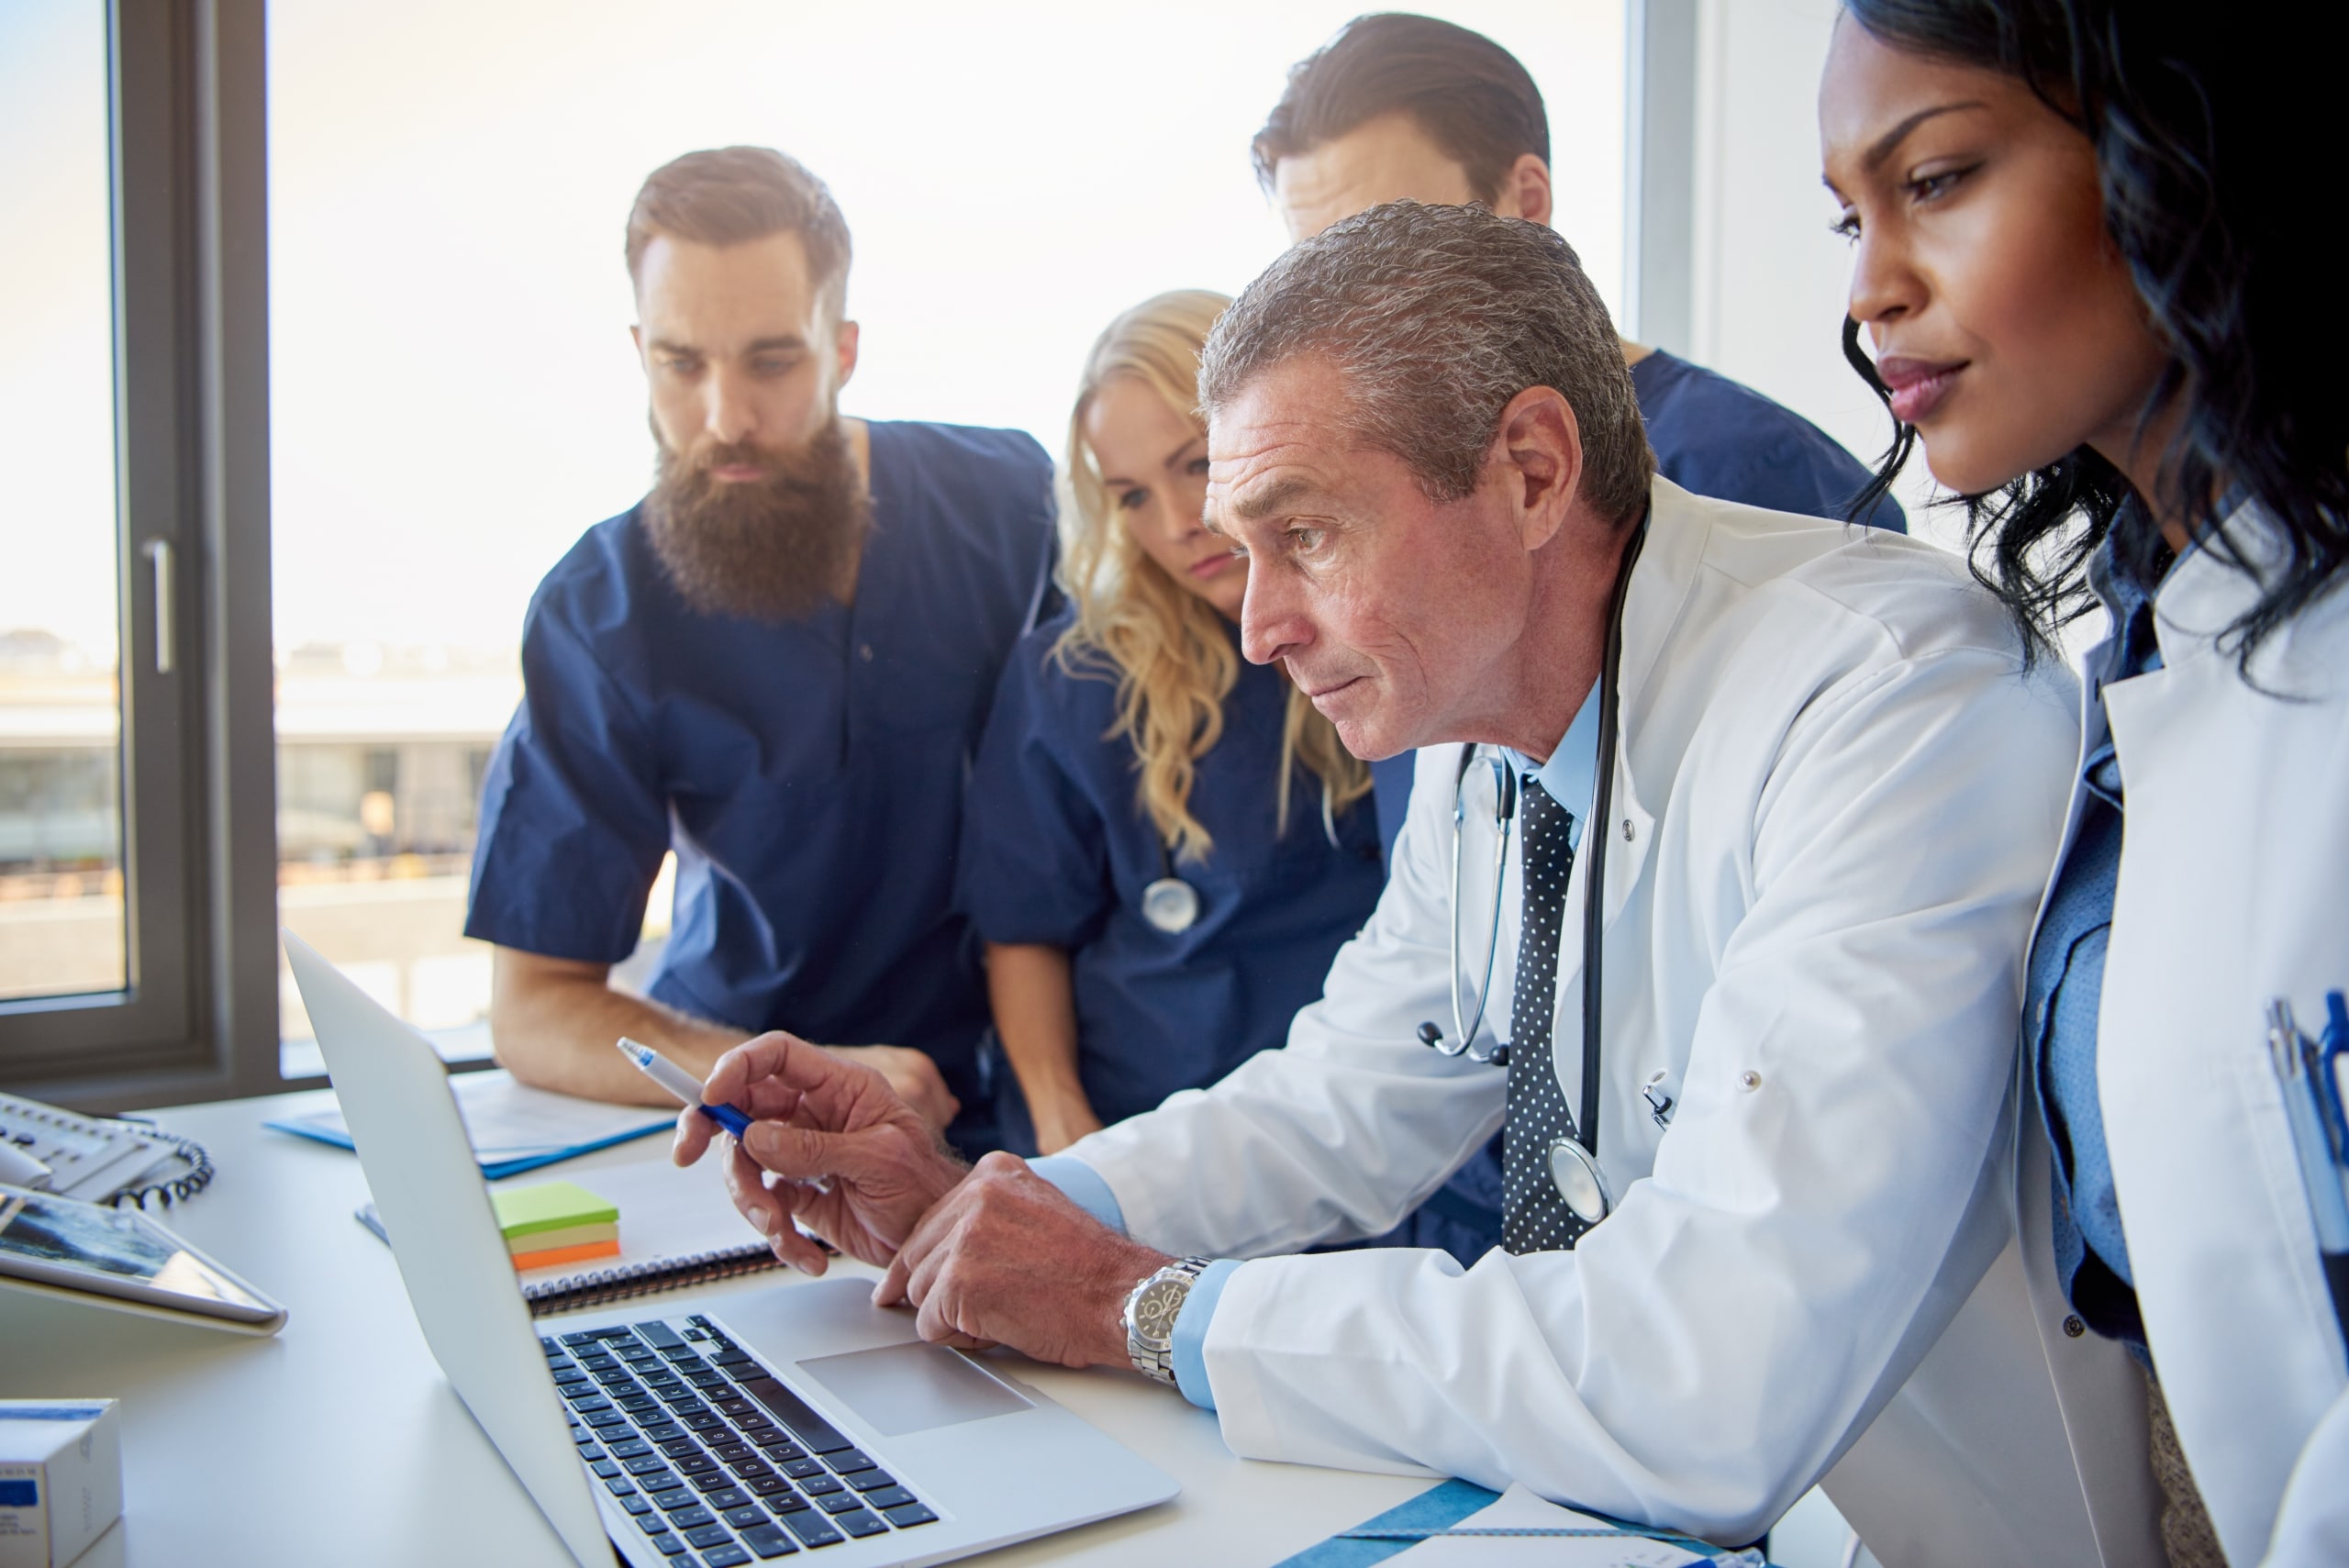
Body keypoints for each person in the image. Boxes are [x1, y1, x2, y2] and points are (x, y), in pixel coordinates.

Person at [677, 203, 2127, 1563]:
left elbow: (1713, 1369)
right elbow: (1348, 1099)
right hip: (1594, 1510)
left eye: (1302, 535)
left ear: (1534, 472)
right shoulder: (1479, 719)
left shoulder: (1890, 696)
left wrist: (1143, 1308)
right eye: (1242, 551)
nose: (1256, 628)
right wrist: (995, 1210)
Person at [1824, 5, 2348, 1564]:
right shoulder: (2147, 620)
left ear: (2181, 154)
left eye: (1939, 178)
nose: (1867, 292)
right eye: (1849, 217)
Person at [1256, 10, 1906, 1265]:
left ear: (1525, 203)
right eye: (1308, 270)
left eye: (1383, 255)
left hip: (1688, 1237)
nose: (1338, 319)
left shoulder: (1749, 483)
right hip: (1468, 1196)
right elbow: (1418, 1003)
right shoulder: (1412, 524)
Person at [464, 147, 1053, 1151]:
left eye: (772, 361)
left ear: (844, 350)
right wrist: (775, 1081)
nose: (724, 419)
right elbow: (533, 1008)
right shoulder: (599, 609)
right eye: (681, 364)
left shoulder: (1010, 500)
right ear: (640, 349)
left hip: (1004, 1089)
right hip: (741, 1092)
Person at [956, 291, 1384, 1157]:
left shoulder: (1393, 639)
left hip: (1357, 1135)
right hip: (1138, 1125)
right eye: (1131, 496)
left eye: (1196, 465)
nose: (1178, 523)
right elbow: (1024, 931)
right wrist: (1068, 1146)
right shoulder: (1075, 679)